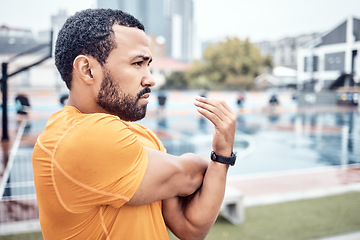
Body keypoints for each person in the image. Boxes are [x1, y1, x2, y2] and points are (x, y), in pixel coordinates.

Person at [32, 9, 237, 240]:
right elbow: (190, 176)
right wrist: (196, 163)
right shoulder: (77, 137)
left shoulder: (139, 134)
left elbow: (191, 228)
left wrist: (221, 156)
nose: (150, 78)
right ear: (87, 70)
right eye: (137, 63)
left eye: (148, 64)